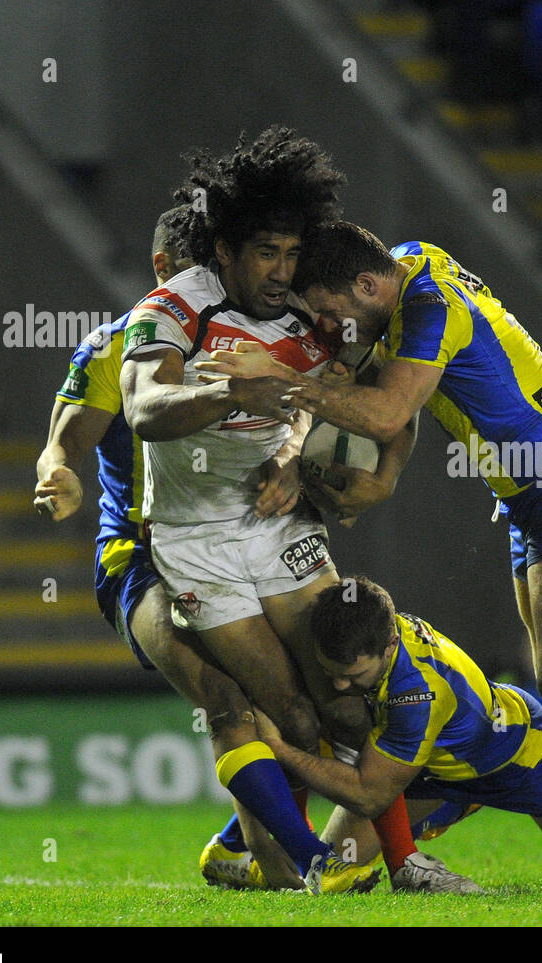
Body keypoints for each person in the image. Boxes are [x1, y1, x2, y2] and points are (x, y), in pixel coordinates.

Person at [199, 228, 542, 895]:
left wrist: (284, 381)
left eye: (330, 311)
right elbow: (396, 396)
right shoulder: (408, 270)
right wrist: (372, 475)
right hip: (534, 498)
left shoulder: (431, 304)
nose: (329, 327)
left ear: (366, 286)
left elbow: (385, 411)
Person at [115, 127, 468, 894]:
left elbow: (376, 397)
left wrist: (290, 458)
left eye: (291, 253)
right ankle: (292, 867)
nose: (282, 272)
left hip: (279, 525)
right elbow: (144, 407)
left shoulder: (311, 311)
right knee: (293, 716)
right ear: (226, 250)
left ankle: (394, 864)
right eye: (266, 254)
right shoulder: (173, 308)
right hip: (196, 539)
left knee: (347, 703)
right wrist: (231, 393)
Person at [36, 203, 385, 893]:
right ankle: (303, 864)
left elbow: (315, 400)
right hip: (140, 560)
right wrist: (57, 474)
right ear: (169, 271)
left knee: (318, 701)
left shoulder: (266, 332)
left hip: (247, 535)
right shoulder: (122, 346)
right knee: (229, 699)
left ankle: (238, 846)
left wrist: (294, 462)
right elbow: (65, 440)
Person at [265, 576, 542, 888]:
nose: (342, 686)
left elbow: (369, 795)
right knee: (334, 871)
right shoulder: (370, 622)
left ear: (391, 643)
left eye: (354, 676)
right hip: (435, 772)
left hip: (522, 755)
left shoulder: (416, 693)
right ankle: (454, 803)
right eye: (332, 672)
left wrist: (280, 752)